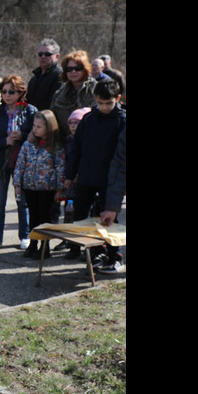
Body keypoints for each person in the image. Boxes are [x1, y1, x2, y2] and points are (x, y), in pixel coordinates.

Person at [63, 79, 126, 271]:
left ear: (118, 98)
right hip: (87, 177)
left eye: (109, 103)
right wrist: (70, 172)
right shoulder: (88, 120)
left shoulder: (121, 121)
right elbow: (76, 148)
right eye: (100, 103)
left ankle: (114, 254)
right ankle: (93, 251)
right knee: (82, 216)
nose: (105, 107)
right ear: (95, 100)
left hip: (110, 180)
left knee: (109, 218)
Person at [0, 74, 38, 251]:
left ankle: (25, 235)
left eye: (11, 92)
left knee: (23, 202)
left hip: (23, 163)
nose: (7, 95)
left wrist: (23, 135)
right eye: (4, 91)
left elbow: (39, 134)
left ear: (20, 93)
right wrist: (4, 141)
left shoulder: (30, 111)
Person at [14, 110, 66, 258]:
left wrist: (59, 188)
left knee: (45, 217)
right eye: (34, 126)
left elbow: (60, 167)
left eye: (39, 127)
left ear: (49, 127)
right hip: (30, 186)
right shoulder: (28, 144)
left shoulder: (56, 147)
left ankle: (45, 246)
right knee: (34, 215)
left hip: (47, 188)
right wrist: (18, 184)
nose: (35, 129)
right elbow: (20, 164)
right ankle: (33, 243)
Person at [50, 50, 98, 137]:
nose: (73, 72)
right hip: (65, 141)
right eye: (69, 69)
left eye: (78, 68)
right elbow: (52, 119)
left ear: (85, 69)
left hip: (90, 138)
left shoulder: (96, 89)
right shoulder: (59, 94)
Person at [26, 39, 63, 112]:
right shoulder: (35, 78)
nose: (43, 56)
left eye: (47, 54)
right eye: (40, 54)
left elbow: (53, 102)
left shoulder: (60, 76)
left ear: (57, 56)